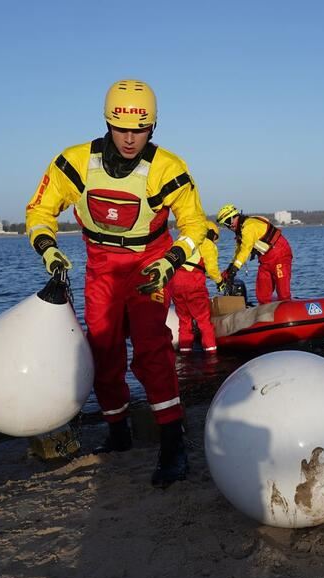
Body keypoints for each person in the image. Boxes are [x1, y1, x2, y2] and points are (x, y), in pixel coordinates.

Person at [26, 79, 209, 487]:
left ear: (153, 128)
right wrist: (47, 247)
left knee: (152, 349)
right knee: (103, 351)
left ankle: (172, 442)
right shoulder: (73, 162)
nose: (129, 139)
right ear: (107, 123)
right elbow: (41, 209)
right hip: (101, 267)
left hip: (149, 267)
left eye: (139, 130)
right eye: (121, 128)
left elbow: (195, 223)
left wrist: (172, 261)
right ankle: (118, 431)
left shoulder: (169, 168)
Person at [215, 204, 294, 304]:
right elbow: (239, 252)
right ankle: (266, 315)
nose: (228, 226)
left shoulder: (248, 227)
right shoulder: (241, 231)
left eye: (227, 222)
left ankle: (287, 309)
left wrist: (235, 269)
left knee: (283, 292)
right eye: (225, 225)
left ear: (234, 216)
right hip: (265, 259)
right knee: (262, 294)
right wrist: (230, 269)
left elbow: (245, 250)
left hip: (280, 253)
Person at [169, 221, 223, 353]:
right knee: (203, 321)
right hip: (193, 283)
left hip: (175, 283)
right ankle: (211, 354)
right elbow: (212, 269)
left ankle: (185, 352)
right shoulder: (207, 243)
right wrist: (219, 282)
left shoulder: (182, 239)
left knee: (184, 321)